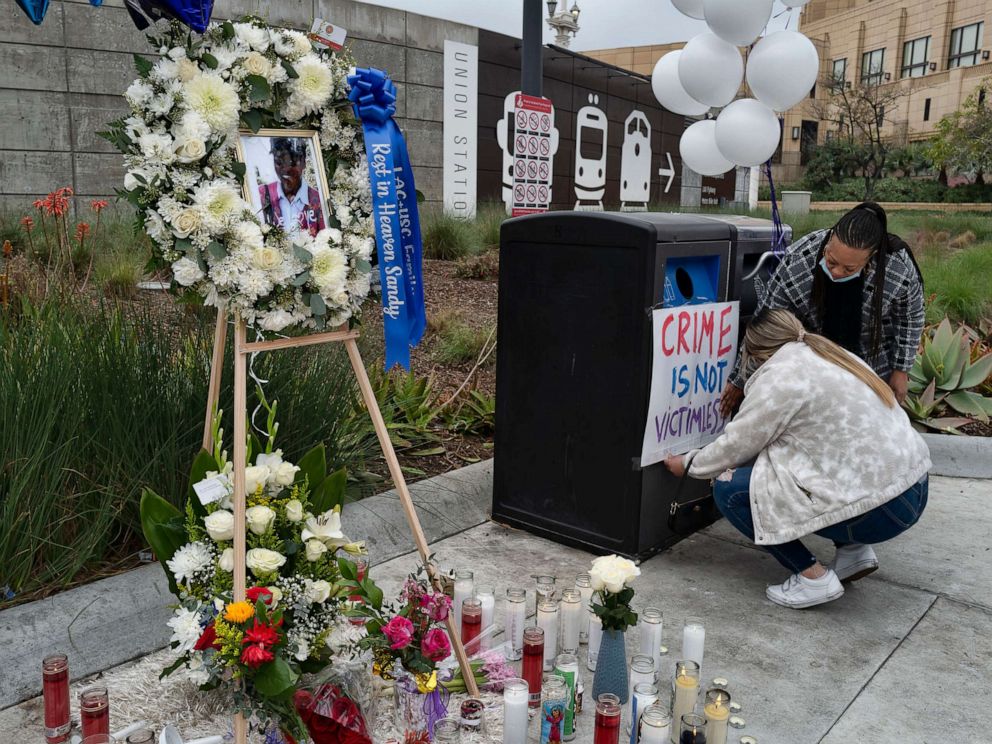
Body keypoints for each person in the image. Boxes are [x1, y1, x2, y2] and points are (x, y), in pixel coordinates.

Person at [665, 309, 931, 609]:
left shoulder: (780, 379)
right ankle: (854, 553)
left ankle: (812, 578)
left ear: (752, 352)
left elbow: (736, 445)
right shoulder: (828, 352)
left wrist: (689, 464)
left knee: (730, 489)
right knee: (799, 465)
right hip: (913, 485)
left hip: (882, 508)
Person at [721, 202, 924, 418]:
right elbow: (767, 320)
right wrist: (739, 380)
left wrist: (900, 369)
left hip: (872, 362)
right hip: (813, 361)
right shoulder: (801, 258)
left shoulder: (898, 268)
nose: (836, 272)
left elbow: (910, 317)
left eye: (849, 269)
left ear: (870, 258)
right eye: (832, 261)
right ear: (828, 243)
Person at [258, 137, 326, 237]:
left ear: (304, 162)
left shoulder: (319, 200)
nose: (286, 169)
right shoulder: (261, 195)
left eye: (292, 162)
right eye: (279, 162)